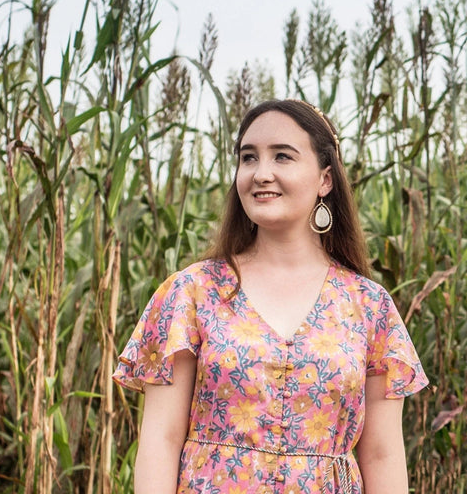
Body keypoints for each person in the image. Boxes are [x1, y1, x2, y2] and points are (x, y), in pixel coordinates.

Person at [113, 99, 428, 494]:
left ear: (325, 179)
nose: (261, 173)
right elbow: (161, 439)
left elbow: (382, 454)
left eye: (282, 156)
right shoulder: (191, 293)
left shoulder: (370, 306)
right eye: (248, 158)